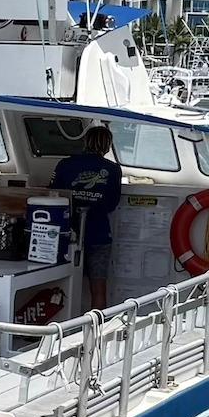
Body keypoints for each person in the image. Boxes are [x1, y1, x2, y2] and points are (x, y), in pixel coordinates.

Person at [51, 125, 122, 309]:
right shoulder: (113, 170)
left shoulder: (65, 165)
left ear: (85, 142)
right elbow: (112, 204)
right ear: (107, 146)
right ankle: (97, 330)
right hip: (98, 234)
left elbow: (53, 194)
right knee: (98, 288)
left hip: (65, 235)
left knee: (57, 282)